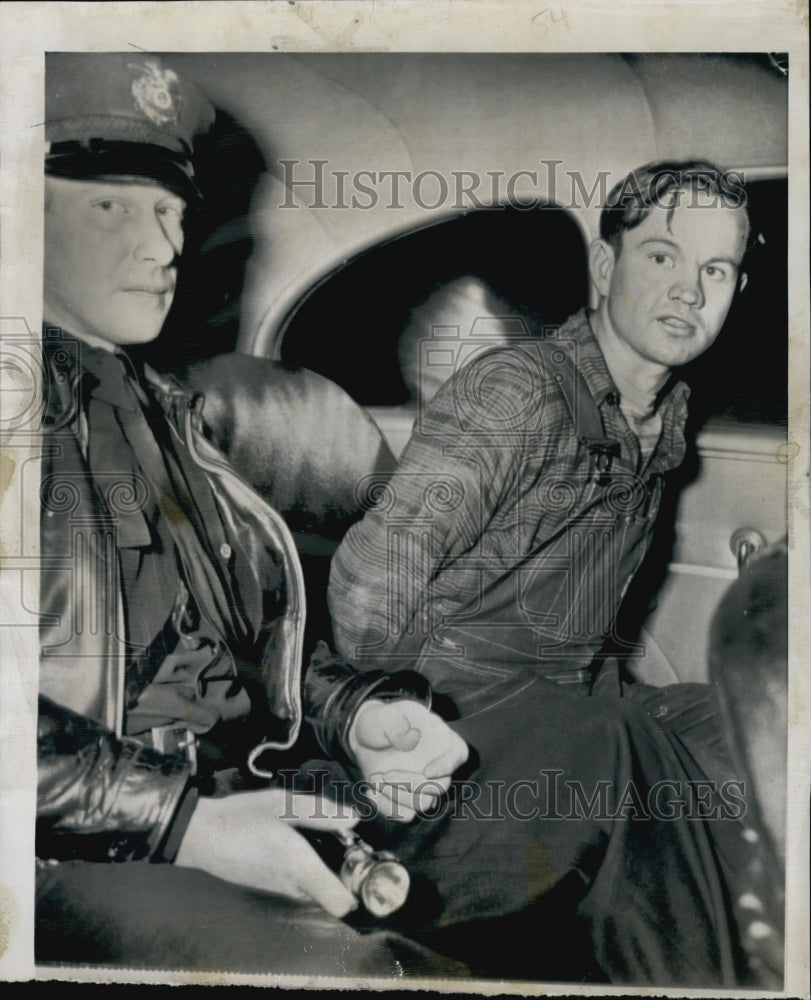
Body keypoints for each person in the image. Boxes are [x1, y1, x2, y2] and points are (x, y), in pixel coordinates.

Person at [35, 59, 771, 986]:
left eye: (172, 211)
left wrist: (367, 713)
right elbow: (372, 585)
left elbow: (257, 644)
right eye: (111, 207)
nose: (163, 246)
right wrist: (184, 819)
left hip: (249, 784)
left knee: (714, 754)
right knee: (595, 776)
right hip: (83, 846)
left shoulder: (162, 417)